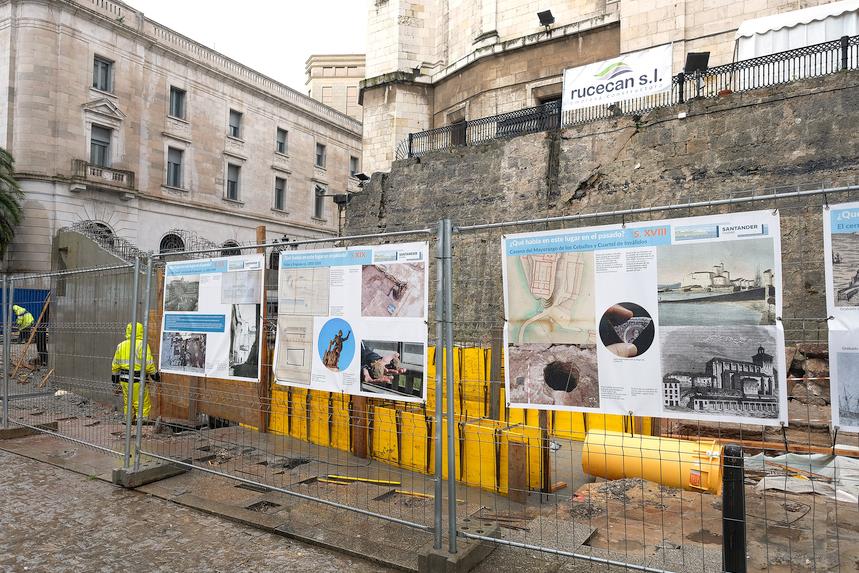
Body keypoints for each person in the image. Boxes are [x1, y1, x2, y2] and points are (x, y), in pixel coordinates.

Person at [111, 322, 158, 423]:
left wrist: (115, 380)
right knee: (141, 402)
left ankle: (128, 420)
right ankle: (142, 421)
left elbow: (115, 364)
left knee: (128, 401)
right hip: (137, 379)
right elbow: (148, 363)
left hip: (123, 379)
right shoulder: (142, 345)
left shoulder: (121, 345)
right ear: (141, 331)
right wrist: (155, 375)